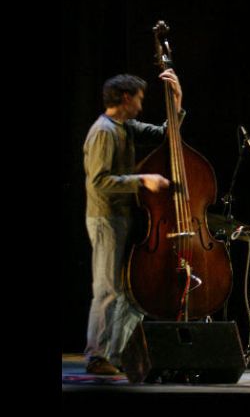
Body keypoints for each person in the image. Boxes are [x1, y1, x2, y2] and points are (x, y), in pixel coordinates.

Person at [82, 69, 184, 375]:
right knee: (108, 290)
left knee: (129, 291)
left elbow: (166, 135)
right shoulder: (104, 131)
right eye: (139, 98)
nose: (142, 104)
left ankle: (114, 354)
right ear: (126, 98)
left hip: (123, 218)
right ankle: (96, 355)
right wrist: (142, 179)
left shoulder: (125, 126)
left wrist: (177, 100)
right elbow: (99, 181)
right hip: (105, 219)